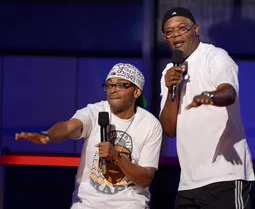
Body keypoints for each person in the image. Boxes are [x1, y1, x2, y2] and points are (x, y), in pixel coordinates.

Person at [16, 63, 163, 209]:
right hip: (88, 203)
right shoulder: (95, 111)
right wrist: (48, 135)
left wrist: (116, 157)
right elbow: (68, 126)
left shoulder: (150, 124)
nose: (113, 90)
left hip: (129, 203)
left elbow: (145, 179)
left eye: (121, 85)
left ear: (136, 92)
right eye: (110, 85)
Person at [159, 7, 255, 209]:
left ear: (196, 29)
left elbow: (229, 93)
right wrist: (171, 90)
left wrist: (208, 97)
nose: (175, 34)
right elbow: (169, 129)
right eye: (169, 31)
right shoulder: (169, 72)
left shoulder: (215, 56)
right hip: (188, 182)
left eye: (182, 28)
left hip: (225, 175)